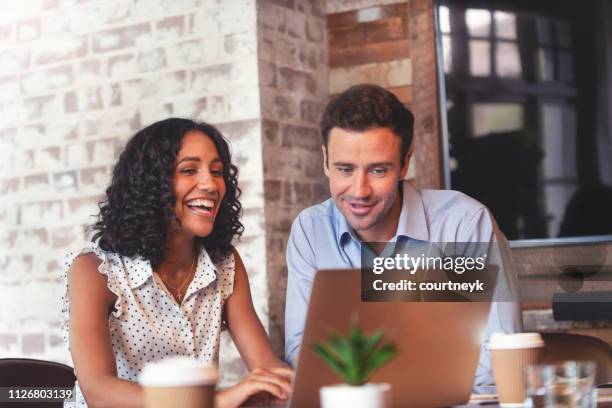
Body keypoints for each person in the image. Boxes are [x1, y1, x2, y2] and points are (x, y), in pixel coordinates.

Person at [284, 84, 522, 386]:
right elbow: (303, 353)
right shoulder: (311, 231)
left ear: (405, 163)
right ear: (325, 161)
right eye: (344, 169)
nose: (359, 191)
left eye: (378, 170)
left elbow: (500, 355)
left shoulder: (463, 225)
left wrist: (380, 383)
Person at [62, 118, 292, 407]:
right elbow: (99, 392)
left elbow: (267, 370)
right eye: (189, 170)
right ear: (151, 184)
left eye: (217, 171)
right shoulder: (94, 271)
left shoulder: (225, 265)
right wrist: (213, 402)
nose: (210, 184)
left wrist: (311, 385)